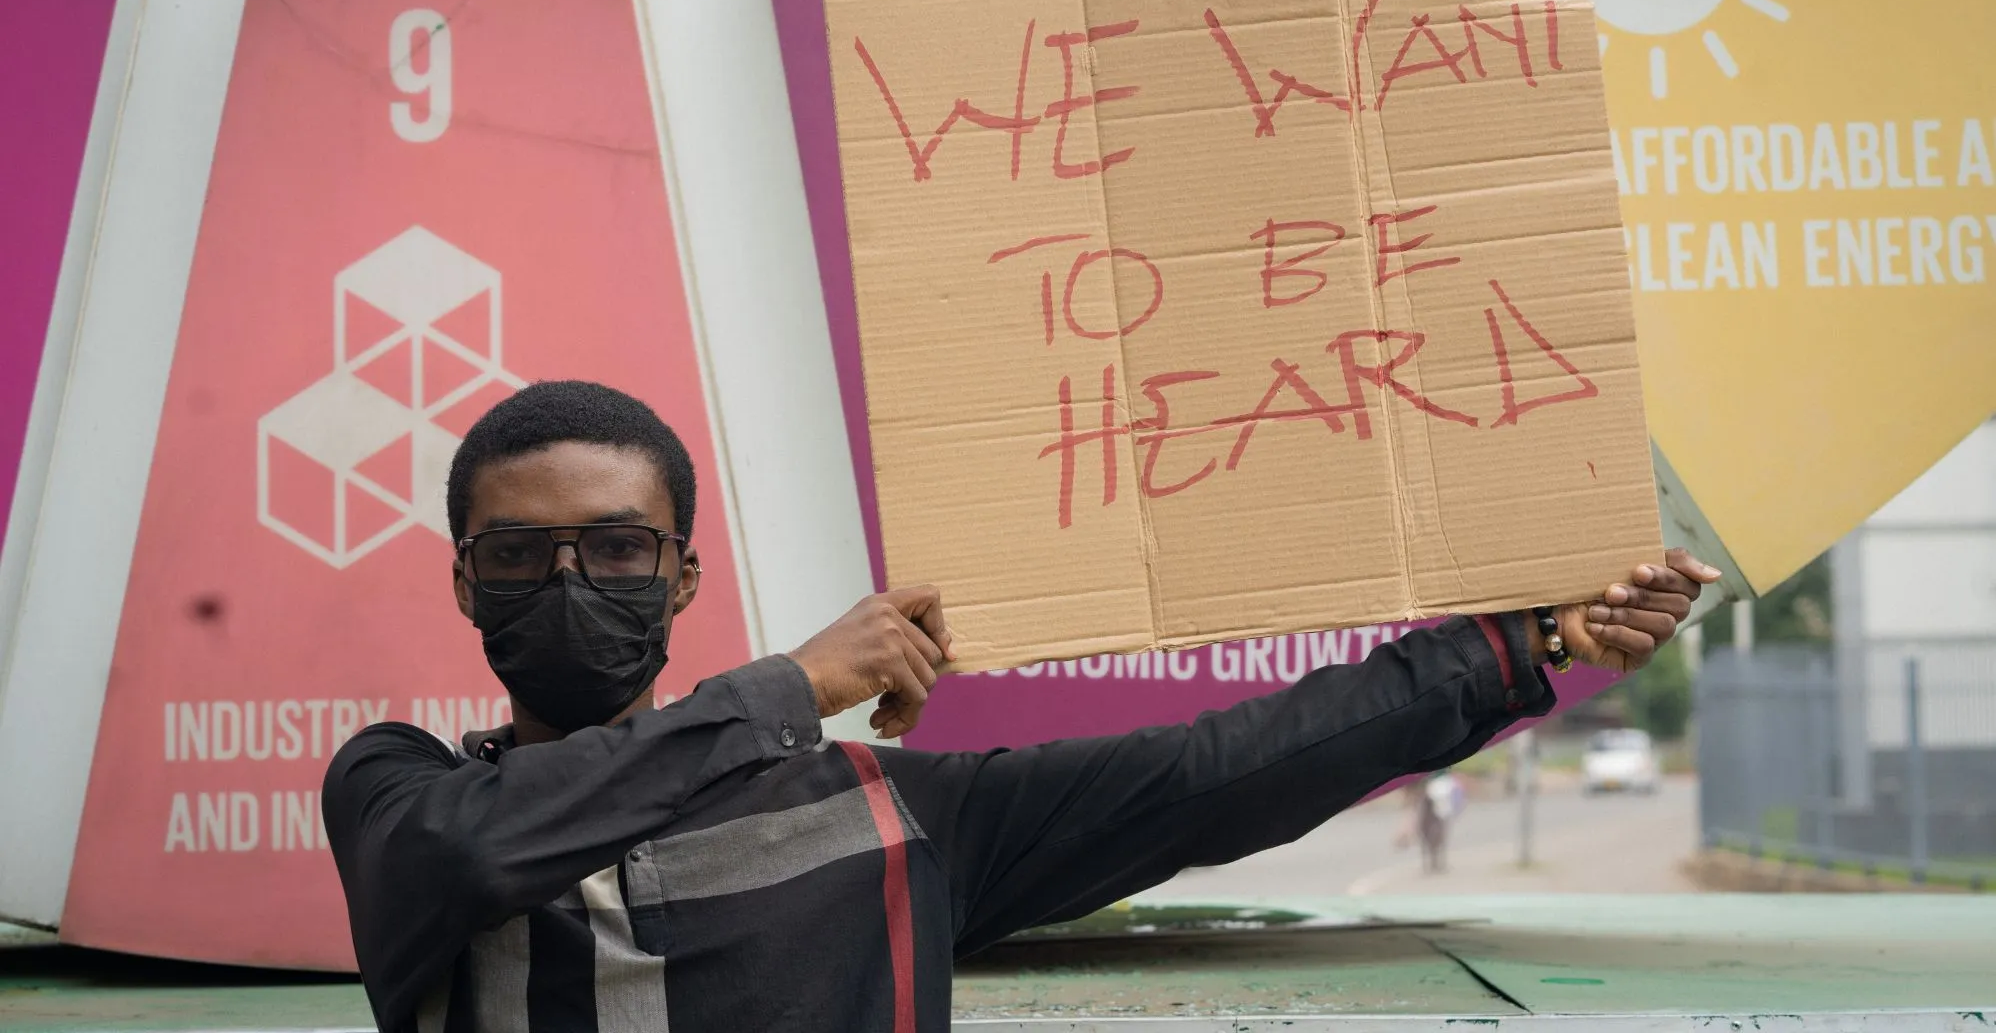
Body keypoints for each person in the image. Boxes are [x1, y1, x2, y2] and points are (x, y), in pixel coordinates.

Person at [323, 380, 1718, 1033]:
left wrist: (1517, 642)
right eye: (521, 554)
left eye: (619, 547)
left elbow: (1221, 773)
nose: (573, 580)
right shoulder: (401, 795)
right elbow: (468, 855)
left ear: (683, 574)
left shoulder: (888, 817)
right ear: (464, 584)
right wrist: (796, 689)